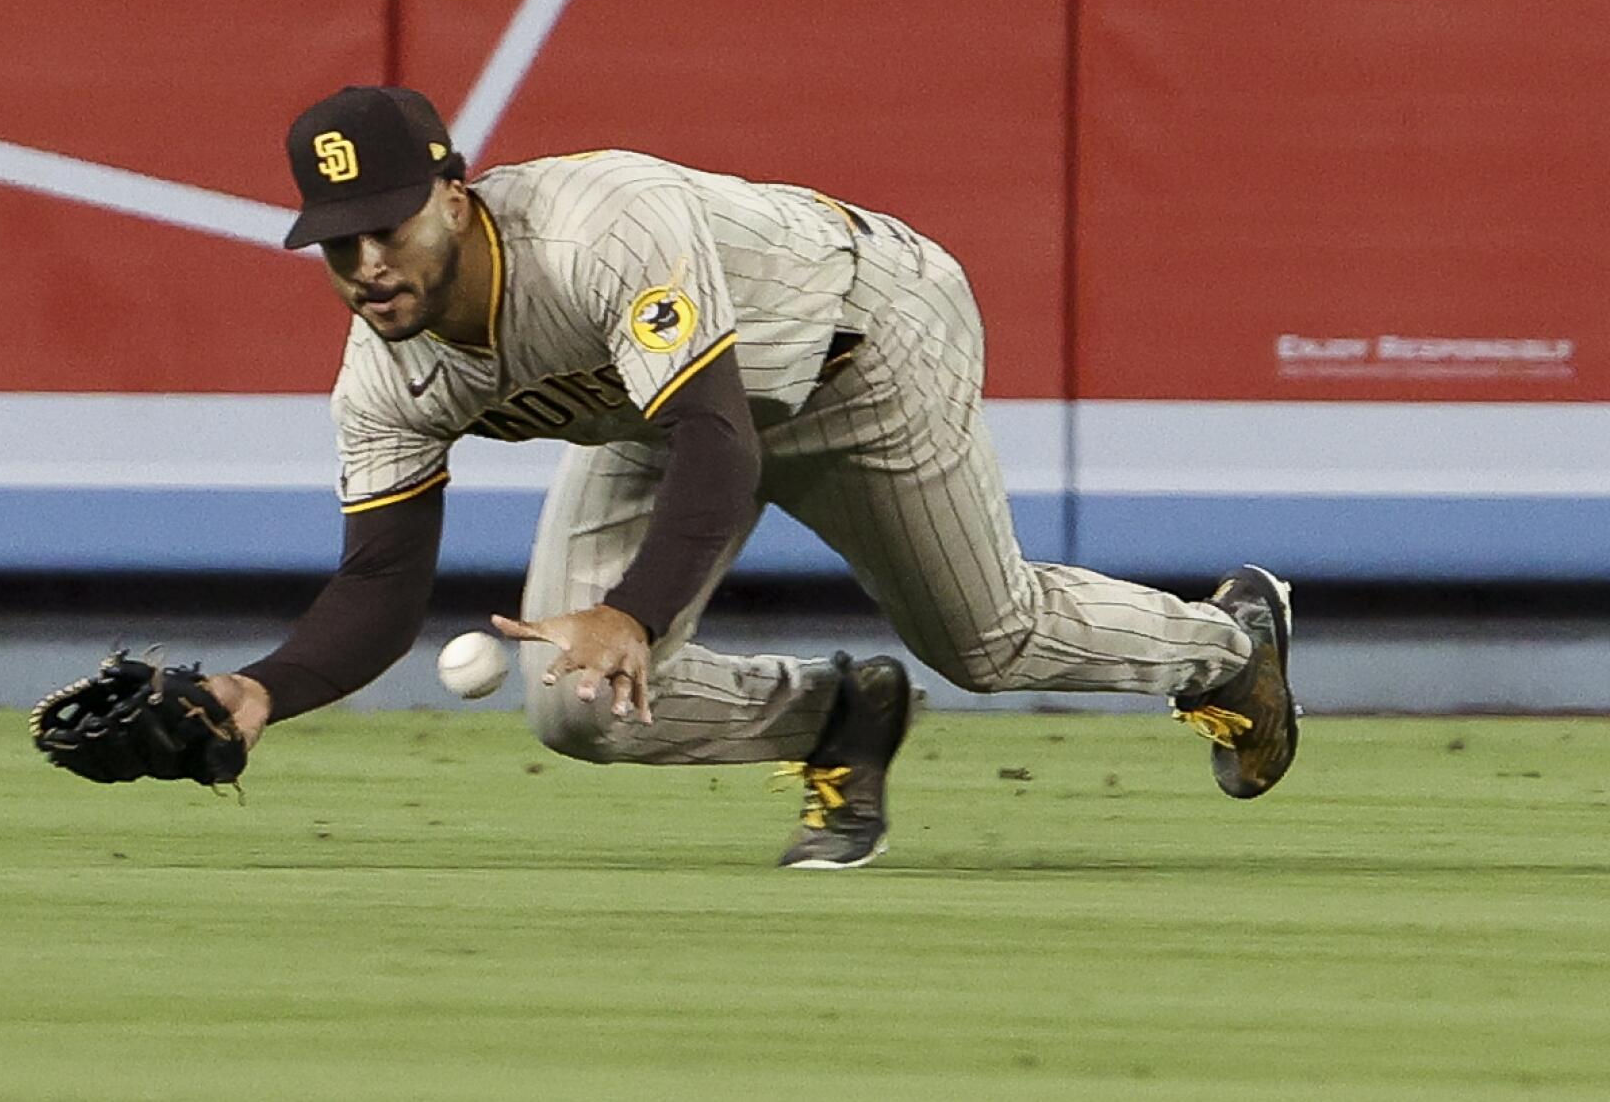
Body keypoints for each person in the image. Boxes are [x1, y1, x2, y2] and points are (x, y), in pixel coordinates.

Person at [199, 84, 1297, 869]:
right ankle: (836, 717)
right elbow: (380, 588)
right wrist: (257, 691)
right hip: (660, 414)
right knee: (578, 711)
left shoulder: (598, 225)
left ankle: (1226, 644)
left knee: (983, 640)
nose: (365, 267)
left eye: (381, 228)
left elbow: (720, 437)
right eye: (337, 245)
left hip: (860, 350)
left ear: (452, 193)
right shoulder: (382, 377)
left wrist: (632, 610)